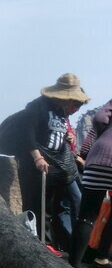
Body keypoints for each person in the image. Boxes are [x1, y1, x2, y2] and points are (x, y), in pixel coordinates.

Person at [14, 73, 89, 251]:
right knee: (35, 204)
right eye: (74, 102)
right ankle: (38, 244)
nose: (75, 106)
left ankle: (47, 244)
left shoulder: (61, 111)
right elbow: (27, 134)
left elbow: (53, 133)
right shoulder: (38, 106)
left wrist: (66, 136)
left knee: (48, 206)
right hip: (35, 164)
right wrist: (37, 157)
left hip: (55, 164)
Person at [69, 99, 112, 268]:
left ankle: (73, 267)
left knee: (87, 215)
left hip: (101, 156)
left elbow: (100, 118)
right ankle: (101, 257)